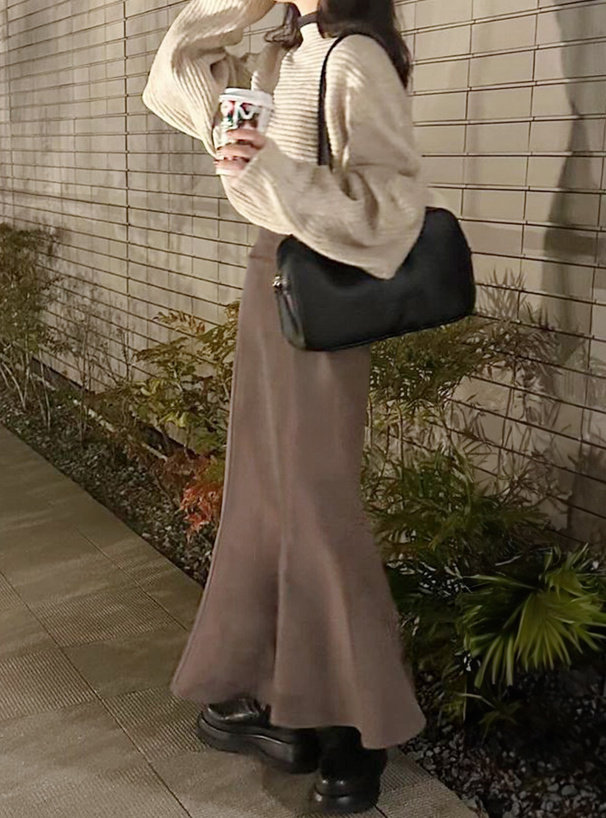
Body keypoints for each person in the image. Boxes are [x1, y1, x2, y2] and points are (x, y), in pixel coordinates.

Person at [142, 0, 428, 812]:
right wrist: (242, 7)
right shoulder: (281, 49)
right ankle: (286, 703)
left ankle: (357, 729)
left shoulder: (354, 58)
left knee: (317, 508)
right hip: (271, 278)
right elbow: (172, 73)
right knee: (266, 498)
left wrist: (272, 171)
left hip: (321, 287)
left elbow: (392, 207)